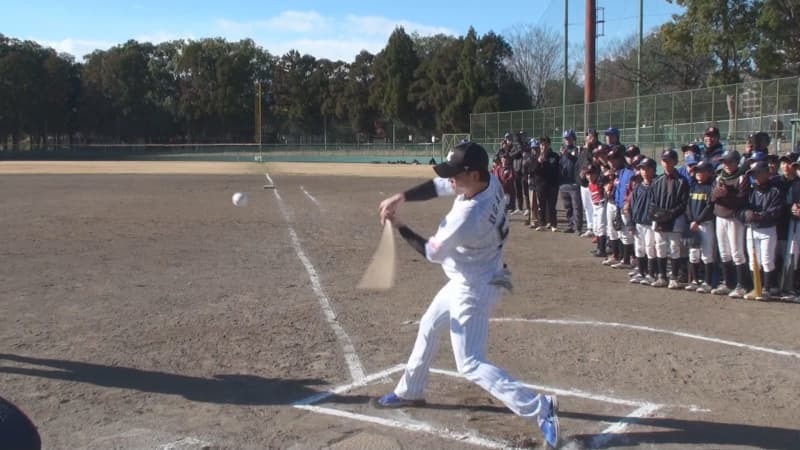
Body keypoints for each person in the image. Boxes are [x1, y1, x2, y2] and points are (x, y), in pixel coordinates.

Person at [374, 141, 559, 448]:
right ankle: (411, 390)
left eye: (456, 174)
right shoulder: (489, 180)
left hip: (475, 287)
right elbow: (440, 185)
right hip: (477, 273)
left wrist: (400, 224)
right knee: (430, 324)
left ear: (472, 174)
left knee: (470, 363)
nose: (451, 180)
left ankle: (541, 409)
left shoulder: (468, 216)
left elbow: (432, 253)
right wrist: (402, 196)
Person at [737, 161, 783, 300]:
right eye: (753, 174)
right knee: (753, 260)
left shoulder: (775, 191)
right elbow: (740, 209)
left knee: (767, 260)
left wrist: (758, 216)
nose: (755, 176)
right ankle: (756, 288)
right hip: (752, 229)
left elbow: (776, 211)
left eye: (758, 173)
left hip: (767, 229)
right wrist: (746, 214)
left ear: (766, 173)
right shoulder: (750, 190)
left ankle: (767, 289)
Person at [710, 150, 750, 298]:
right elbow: (712, 197)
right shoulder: (720, 176)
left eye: (730, 162)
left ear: (736, 162)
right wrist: (717, 194)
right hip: (720, 216)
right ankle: (728, 283)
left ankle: (742, 285)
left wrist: (726, 195)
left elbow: (741, 200)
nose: (726, 165)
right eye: (725, 162)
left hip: (734, 218)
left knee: (737, 252)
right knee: (724, 252)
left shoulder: (742, 178)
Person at [649, 149, 690, 288]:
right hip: (660, 217)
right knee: (660, 246)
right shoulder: (657, 180)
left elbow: (684, 202)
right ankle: (662, 276)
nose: (667, 164)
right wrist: (658, 213)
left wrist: (671, 213)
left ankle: (674, 277)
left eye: (669, 161)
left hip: (675, 218)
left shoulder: (681, 181)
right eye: (664, 161)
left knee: (674, 247)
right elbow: (653, 200)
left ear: (675, 162)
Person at [685, 160, 717, 293]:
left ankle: (707, 282)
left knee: (706, 254)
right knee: (693, 253)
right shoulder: (693, 186)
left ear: (709, 173)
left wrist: (697, 221)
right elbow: (687, 205)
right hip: (693, 224)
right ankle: (694, 280)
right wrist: (691, 220)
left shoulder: (710, 187)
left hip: (705, 224)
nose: (698, 173)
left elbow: (709, 207)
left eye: (702, 171)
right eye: (697, 171)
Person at [604, 146, 635, 268]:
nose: (612, 161)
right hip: (617, 205)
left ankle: (627, 259)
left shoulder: (629, 172)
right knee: (618, 232)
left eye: (614, 158)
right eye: (610, 159)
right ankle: (621, 257)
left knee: (627, 234)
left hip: (626, 207)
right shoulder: (619, 172)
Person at [627, 157, 657, 284]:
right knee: (639, 248)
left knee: (650, 248)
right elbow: (631, 207)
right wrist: (630, 224)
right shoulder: (638, 187)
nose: (644, 172)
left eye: (647, 169)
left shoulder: (657, 185)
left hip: (651, 223)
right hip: (639, 222)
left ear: (653, 170)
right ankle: (641, 272)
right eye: (642, 169)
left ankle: (651, 274)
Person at [531, 136, 560, 231]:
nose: (543, 147)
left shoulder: (555, 156)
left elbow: (556, 170)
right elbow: (533, 170)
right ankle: (542, 223)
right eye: (542, 145)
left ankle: (553, 224)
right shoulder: (536, 156)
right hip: (540, 185)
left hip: (552, 185)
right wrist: (539, 162)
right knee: (541, 205)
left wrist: (546, 163)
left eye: (545, 144)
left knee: (552, 206)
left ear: (549, 145)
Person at [559, 129, 583, 233]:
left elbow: (577, 161)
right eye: (566, 138)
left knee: (576, 206)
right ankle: (570, 225)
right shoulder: (562, 151)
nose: (567, 140)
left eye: (569, 138)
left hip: (574, 182)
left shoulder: (577, 149)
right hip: (564, 182)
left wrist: (567, 154)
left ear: (573, 138)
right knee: (567, 206)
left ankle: (578, 227)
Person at [579, 130, 599, 237]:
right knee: (587, 206)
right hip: (584, 183)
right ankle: (590, 227)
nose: (590, 139)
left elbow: (594, 162)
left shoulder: (597, 149)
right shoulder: (583, 150)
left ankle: (597, 229)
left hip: (594, 182)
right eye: (588, 137)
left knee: (595, 206)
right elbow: (580, 164)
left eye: (592, 137)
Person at [510, 130, 530, 216]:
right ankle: (520, 208)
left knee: (526, 191)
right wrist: (519, 151)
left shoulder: (527, 145)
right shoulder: (516, 146)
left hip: (524, 171)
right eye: (520, 136)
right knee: (518, 190)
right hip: (516, 170)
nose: (521, 137)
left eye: (522, 135)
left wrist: (523, 150)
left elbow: (528, 155)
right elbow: (511, 155)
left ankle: (529, 208)